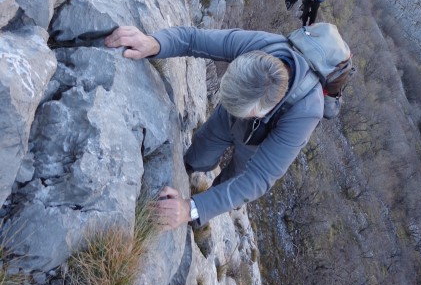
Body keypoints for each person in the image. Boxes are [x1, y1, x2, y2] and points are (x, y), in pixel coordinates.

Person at [105, 25, 324, 230]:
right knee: (200, 153)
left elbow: (258, 178)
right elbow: (193, 39)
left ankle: (198, 214)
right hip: (225, 120)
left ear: (263, 112)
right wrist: (154, 43)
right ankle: (189, 168)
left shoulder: (304, 112)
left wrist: (191, 208)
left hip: (256, 147)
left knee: (233, 181)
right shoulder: (260, 45)